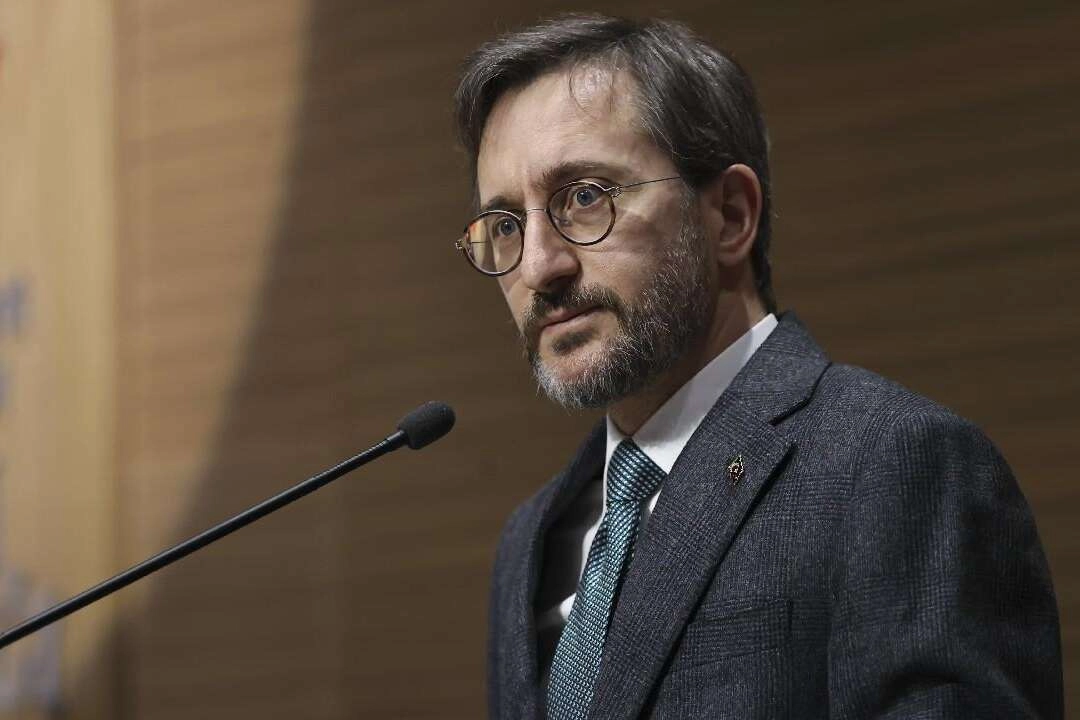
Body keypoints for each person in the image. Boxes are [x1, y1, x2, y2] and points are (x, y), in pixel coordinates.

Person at [451, 13, 1062, 720]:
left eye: (585, 197)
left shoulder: (893, 464)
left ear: (731, 216)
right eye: (506, 225)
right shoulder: (530, 540)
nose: (539, 266)